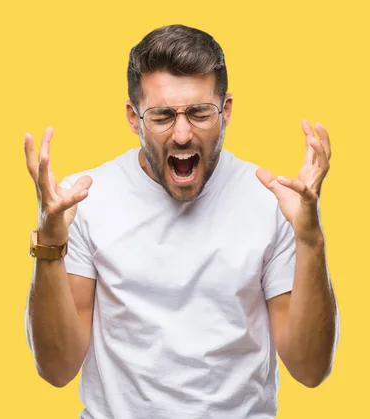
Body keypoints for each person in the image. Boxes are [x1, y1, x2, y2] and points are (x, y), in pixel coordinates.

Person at [23, 24, 339, 419]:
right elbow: (56, 369)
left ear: (225, 111)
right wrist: (50, 246)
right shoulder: (83, 200)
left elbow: (310, 370)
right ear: (134, 118)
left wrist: (311, 240)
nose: (183, 133)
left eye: (199, 112)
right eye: (162, 116)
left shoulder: (272, 200)